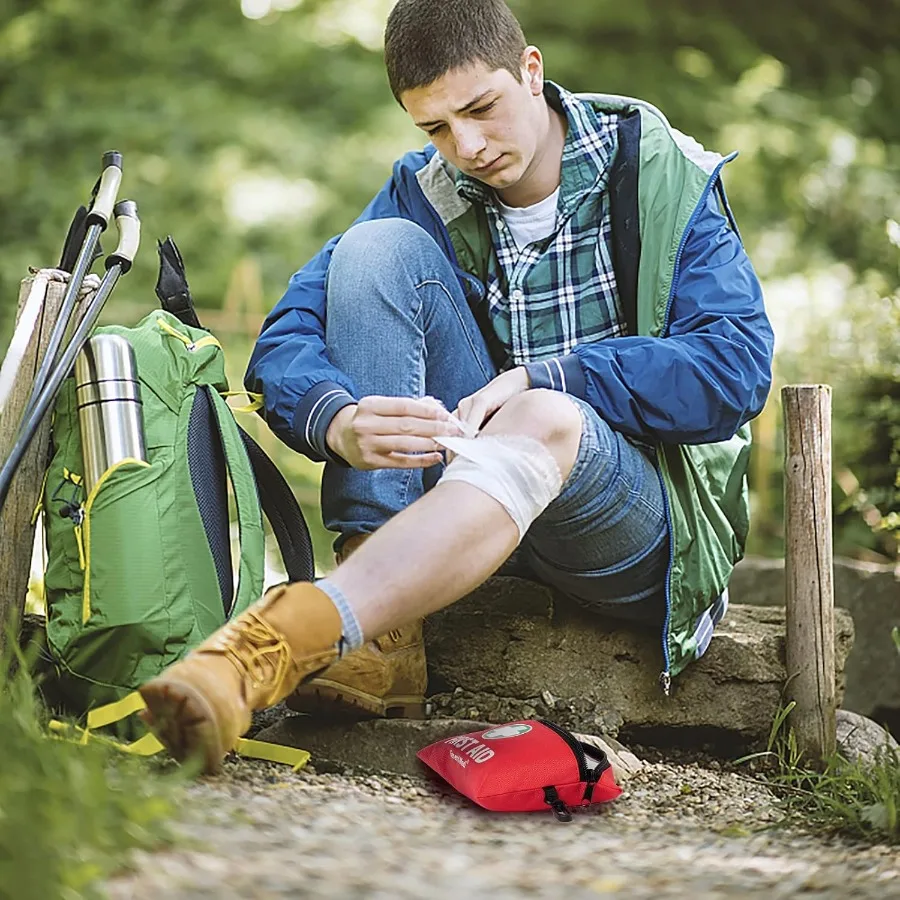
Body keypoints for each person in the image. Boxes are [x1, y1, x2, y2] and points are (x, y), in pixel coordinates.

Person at [139, 0, 773, 773]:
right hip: (471, 508)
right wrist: (335, 419)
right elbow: (287, 335)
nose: (465, 145)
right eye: (435, 128)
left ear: (531, 71)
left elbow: (733, 367)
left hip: (637, 528)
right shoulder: (428, 188)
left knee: (541, 413)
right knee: (373, 250)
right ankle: (383, 644)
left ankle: (278, 642)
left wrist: (556, 378)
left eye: (481, 109)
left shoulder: (664, 170)